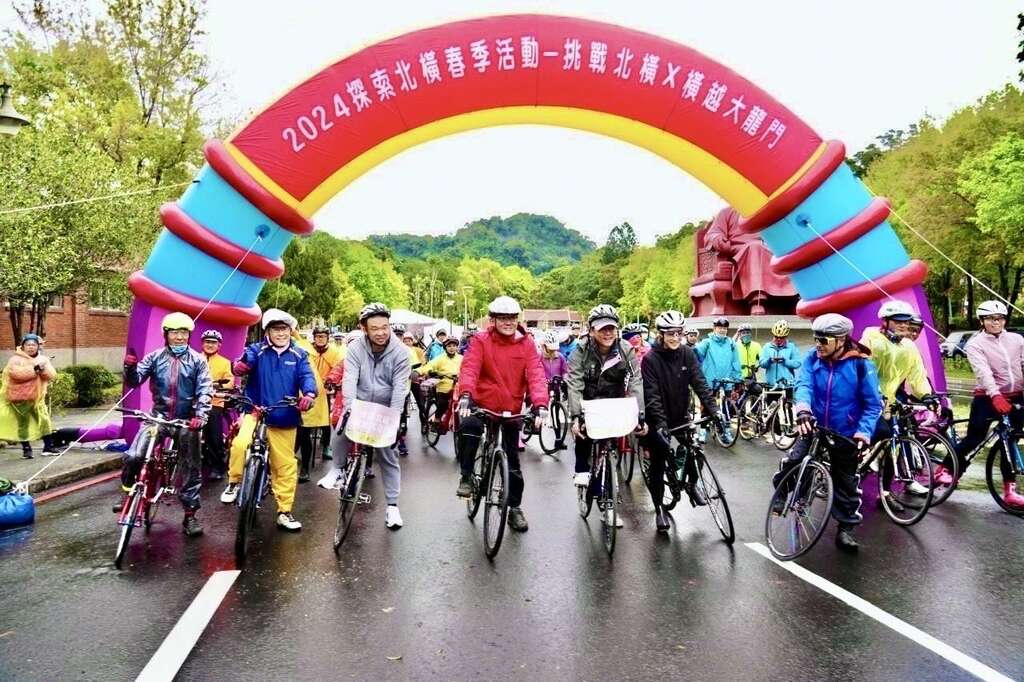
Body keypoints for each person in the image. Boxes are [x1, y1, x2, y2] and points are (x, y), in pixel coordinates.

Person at [775, 313, 882, 551]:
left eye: (823, 340)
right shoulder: (812, 358)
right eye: (816, 339)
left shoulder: (861, 365)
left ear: (841, 340)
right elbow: (804, 385)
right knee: (795, 460)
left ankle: (846, 528)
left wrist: (863, 433)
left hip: (845, 430)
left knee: (846, 481)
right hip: (813, 424)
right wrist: (803, 410)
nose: (818, 344)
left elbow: (873, 405)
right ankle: (783, 494)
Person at [455, 295, 548, 532]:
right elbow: (470, 368)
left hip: (510, 409)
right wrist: (466, 394)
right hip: (482, 403)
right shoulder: (481, 341)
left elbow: (536, 374)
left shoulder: (526, 344)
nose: (508, 322)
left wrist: (540, 404)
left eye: (512, 318)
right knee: (469, 427)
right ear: (493, 320)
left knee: (513, 463)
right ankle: (466, 475)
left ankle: (514, 508)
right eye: (503, 318)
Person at [220, 309, 317, 532]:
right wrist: (240, 366)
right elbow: (242, 362)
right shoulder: (257, 349)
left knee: (285, 466)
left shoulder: (299, 354)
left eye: (284, 329)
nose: (281, 333)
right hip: (255, 411)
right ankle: (234, 483)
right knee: (240, 444)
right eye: (275, 329)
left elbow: (307, 377)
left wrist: (309, 394)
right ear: (267, 332)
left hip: (285, 415)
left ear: (290, 331)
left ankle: (284, 511)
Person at [319, 303, 411, 529]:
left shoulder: (401, 352)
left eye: (385, 327)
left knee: (388, 456)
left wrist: (395, 417)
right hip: (359, 402)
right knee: (341, 427)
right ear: (364, 329)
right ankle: (337, 469)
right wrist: (349, 407)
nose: (381, 333)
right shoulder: (355, 348)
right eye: (375, 328)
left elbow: (400, 387)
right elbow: (349, 378)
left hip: (386, 407)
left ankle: (392, 507)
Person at [121, 313, 213, 537]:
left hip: (186, 421)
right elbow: (135, 381)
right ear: (166, 334)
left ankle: (190, 516)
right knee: (134, 455)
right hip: (158, 418)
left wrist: (200, 415)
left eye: (184, 333)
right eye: (174, 333)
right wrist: (130, 368)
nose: (179, 337)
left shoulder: (198, 361)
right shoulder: (154, 357)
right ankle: (128, 493)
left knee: (190, 467)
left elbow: (205, 390)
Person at [566, 305, 645, 528]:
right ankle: (581, 468)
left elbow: (636, 380)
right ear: (592, 330)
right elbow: (574, 382)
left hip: (613, 403)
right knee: (583, 434)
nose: (608, 333)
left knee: (612, 451)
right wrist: (576, 416)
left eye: (611, 328)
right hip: (588, 401)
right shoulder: (581, 350)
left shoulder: (625, 349)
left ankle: (608, 504)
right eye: (602, 329)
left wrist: (639, 413)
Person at [641, 310, 720, 530]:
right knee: (657, 464)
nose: (675, 338)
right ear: (661, 334)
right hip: (658, 418)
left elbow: (700, 382)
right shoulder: (650, 359)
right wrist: (660, 425)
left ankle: (692, 485)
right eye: (670, 334)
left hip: (680, 414)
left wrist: (714, 410)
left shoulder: (687, 353)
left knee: (696, 450)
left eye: (678, 333)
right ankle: (659, 508)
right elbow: (651, 395)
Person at [953, 301, 1024, 508]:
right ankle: (949, 468)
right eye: (991, 319)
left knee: (1010, 441)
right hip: (987, 396)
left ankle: (1010, 491)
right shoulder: (975, 344)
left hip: (1016, 395)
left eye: (1000, 318)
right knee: (975, 437)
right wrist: (995, 395)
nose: (996, 322)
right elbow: (983, 372)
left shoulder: (1017, 340)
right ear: (982, 321)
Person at [297, 324, 344, 480]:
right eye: (317, 336)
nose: (320, 339)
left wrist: (332, 382)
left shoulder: (334, 353)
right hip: (304, 391)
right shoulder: (307, 350)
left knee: (326, 421)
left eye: (323, 336)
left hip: (324, 390)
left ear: (327, 338)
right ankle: (300, 464)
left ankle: (326, 446)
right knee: (302, 430)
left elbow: (338, 369)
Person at [0, 333, 57, 458]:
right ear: (23, 346)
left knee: (44, 421)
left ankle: (48, 447)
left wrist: (42, 369)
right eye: (28, 345)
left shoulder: (43, 359)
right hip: (19, 399)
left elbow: (51, 375)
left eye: (34, 345)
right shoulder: (15, 359)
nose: (31, 347)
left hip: (37, 398)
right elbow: (16, 374)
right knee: (23, 424)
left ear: (38, 346)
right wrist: (35, 369)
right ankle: (26, 449)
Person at [199, 329, 234, 480]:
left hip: (215, 401)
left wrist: (218, 386)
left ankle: (217, 466)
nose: (210, 345)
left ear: (219, 345)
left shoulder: (224, 362)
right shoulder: (194, 358)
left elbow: (230, 382)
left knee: (213, 433)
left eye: (213, 343)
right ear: (202, 343)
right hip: (194, 401)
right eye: (207, 342)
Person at [417, 336, 462, 427]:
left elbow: (469, 368)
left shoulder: (462, 358)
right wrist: (418, 371)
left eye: (454, 346)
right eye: (449, 346)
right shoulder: (440, 358)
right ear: (445, 347)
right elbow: (429, 366)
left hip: (458, 387)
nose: (452, 348)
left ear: (457, 347)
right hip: (443, 386)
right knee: (442, 404)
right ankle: (437, 420)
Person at [695, 317, 742, 387]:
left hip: (728, 383)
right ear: (714, 329)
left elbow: (736, 362)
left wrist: (738, 379)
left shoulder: (731, 343)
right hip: (710, 383)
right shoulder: (706, 342)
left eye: (725, 328)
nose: (722, 330)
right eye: (720, 328)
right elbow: (695, 355)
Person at [758, 320, 801, 386]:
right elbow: (761, 364)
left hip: (787, 385)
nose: (778, 339)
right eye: (776, 337)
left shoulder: (792, 347)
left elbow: (797, 363)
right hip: (770, 385)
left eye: (781, 337)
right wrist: (769, 361)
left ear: (786, 336)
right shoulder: (767, 347)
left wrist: (785, 361)